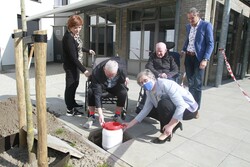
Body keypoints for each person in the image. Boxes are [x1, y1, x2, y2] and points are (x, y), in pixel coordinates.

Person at [123, 69, 198, 144]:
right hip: (176, 108)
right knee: (151, 110)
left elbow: (181, 105)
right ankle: (175, 123)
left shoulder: (165, 84)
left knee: (163, 104)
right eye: (141, 83)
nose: (144, 84)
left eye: (145, 80)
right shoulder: (149, 92)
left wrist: (170, 126)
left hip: (188, 110)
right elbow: (145, 110)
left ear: (152, 78)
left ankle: (166, 133)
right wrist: (130, 124)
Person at [181, 7, 214, 118]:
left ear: (197, 15)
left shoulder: (206, 25)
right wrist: (183, 49)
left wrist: (205, 59)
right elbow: (188, 40)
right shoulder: (188, 27)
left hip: (199, 59)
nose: (190, 21)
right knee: (190, 84)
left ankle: (196, 110)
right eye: (189, 19)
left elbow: (210, 44)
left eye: (192, 18)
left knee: (197, 84)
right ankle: (191, 106)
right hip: (188, 58)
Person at [62, 15, 95, 117]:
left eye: (79, 27)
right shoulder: (68, 38)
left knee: (75, 84)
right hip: (70, 65)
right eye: (75, 27)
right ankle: (69, 109)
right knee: (70, 86)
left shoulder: (74, 35)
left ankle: (73, 103)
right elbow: (73, 57)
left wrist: (88, 50)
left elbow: (78, 47)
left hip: (75, 65)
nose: (78, 29)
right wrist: (84, 70)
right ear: (70, 26)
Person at [83, 57, 129, 129]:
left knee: (123, 92)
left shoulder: (121, 68)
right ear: (104, 69)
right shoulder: (96, 72)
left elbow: (124, 72)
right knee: (91, 92)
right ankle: (91, 116)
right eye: (108, 75)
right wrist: (100, 113)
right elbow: (97, 94)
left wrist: (125, 77)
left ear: (117, 70)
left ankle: (117, 115)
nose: (110, 77)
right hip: (102, 86)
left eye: (112, 75)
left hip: (115, 86)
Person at [136, 42, 179, 114]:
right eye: (157, 51)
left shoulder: (170, 58)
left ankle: (171, 106)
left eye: (160, 51)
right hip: (155, 78)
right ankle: (143, 105)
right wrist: (158, 74)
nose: (158, 53)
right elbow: (148, 66)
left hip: (167, 78)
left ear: (165, 50)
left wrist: (167, 75)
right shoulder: (152, 57)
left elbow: (175, 70)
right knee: (147, 85)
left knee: (171, 87)